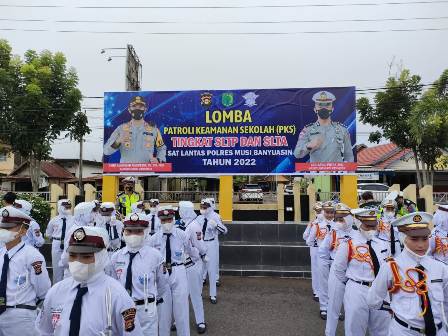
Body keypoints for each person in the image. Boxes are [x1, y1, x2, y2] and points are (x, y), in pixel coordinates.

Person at [37, 226, 143, 335]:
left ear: (100, 257)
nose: (78, 262)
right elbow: (43, 331)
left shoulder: (117, 295)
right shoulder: (57, 291)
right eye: (73, 256)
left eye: (86, 256)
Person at [367, 212, 448, 335]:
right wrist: (393, 308)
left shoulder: (440, 268)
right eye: (414, 239)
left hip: (438, 331)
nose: (421, 245)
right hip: (404, 331)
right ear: (402, 238)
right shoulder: (390, 268)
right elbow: (373, 300)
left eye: (425, 239)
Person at [332, 208, 392, 336]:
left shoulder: (383, 244)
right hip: (357, 290)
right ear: (359, 223)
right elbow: (338, 270)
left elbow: (388, 269)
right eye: (367, 226)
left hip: (379, 290)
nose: (371, 229)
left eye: (373, 225)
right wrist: (352, 283)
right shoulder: (348, 244)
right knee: (355, 328)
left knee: (382, 328)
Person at [110, 212, 168, 335]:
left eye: (138, 231)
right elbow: (113, 285)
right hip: (123, 310)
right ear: (124, 232)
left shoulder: (155, 256)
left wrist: (151, 300)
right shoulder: (116, 257)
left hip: (146, 310)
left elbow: (162, 284)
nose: (133, 235)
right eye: (129, 231)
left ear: (145, 232)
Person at [0, 206, 51, 336]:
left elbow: (43, 290)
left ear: (23, 231)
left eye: (9, 227)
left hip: (20, 316)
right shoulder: (1, 253)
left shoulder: (32, 256)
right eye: (2, 226)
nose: (4, 230)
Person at [148, 205, 192, 336]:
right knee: (163, 313)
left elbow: (191, 251)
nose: (167, 222)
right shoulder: (153, 239)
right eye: (163, 220)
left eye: (169, 219)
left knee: (182, 310)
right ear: (159, 221)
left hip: (178, 270)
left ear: (173, 219)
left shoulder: (182, 235)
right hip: (162, 273)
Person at [319, 204, 354, 336]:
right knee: (333, 305)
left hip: (352, 273)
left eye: (342, 218)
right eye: (337, 218)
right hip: (336, 271)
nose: (339, 222)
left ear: (350, 218)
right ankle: (329, 333)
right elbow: (322, 252)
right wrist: (332, 264)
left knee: (352, 307)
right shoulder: (332, 233)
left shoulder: (357, 234)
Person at [293, 90, 354, 163]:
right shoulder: (307, 130)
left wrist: (347, 171)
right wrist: (309, 145)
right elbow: (297, 154)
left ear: (332, 109)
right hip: (316, 173)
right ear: (315, 109)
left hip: (336, 172)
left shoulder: (342, 130)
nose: (324, 108)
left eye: (327, 105)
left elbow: (349, 155)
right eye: (320, 105)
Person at [104, 95, 167, 163]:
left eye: (140, 106)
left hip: (147, 171)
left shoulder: (154, 130)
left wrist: (158, 159)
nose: (137, 109)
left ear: (145, 109)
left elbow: (162, 148)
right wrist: (118, 140)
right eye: (134, 106)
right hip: (126, 171)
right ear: (129, 109)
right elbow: (106, 151)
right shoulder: (120, 129)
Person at [176, 201, 208, 334]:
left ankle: (200, 321)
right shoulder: (179, 223)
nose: (178, 211)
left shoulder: (194, 225)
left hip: (192, 264)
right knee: (179, 295)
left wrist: (201, 255)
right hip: (179, 265)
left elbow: (200, 246)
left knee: (195, 294)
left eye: (180, 209)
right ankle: (177, 320)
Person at [306, 201, 335, 319]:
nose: (329, 215)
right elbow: (309, 240)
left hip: (335, 258)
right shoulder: (317, 225)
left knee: (335, 284)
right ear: (323, 212)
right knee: (323, 282)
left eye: (331, 212)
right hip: (322, 258)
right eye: (327, 212)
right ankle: (324, 307)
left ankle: (335, 308)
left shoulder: (338, 226)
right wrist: (319, 247)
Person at [197, 198, 228, 304]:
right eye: (201, 207)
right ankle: (198, 292)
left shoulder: (215, 217)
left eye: (205, 208)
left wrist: (216, 225)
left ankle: (213, 295)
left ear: (209, 208)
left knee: (211, 269)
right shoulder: (199, 218)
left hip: (211, 243)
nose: (202, 209)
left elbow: (224, 231)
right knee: (200, 269)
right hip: (201, 243)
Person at [45, 199, 72, 283]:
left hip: (69, 243)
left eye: (69, 207)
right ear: (60, 207)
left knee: (69, 267)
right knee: (56, 268)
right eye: (65, 207)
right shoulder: (54, 220)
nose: (67, 209)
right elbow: (48, 234)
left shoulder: (73, 219)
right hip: (57, 243)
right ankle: (56, 287)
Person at [303, 201, 323, 302]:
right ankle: (317, 291)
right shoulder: (312, 224)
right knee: (315, 270)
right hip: (315, 249)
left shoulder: (329, 224)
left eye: (320, 210)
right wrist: (313, 240)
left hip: (326, 250)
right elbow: (305, 235)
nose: (319, 213)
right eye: (317, 211)